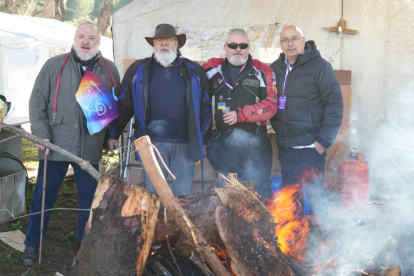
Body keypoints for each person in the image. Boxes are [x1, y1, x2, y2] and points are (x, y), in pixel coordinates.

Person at [22, 22, 120, 265]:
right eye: (81, 36)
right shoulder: (55, 65)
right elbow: (37, 101)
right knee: (43, 198)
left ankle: (82, 247)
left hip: (90, 146)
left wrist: (112, 134)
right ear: (75, 38)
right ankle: (32, 245)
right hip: (55, 143)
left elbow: (117, 105)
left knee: (89, 202)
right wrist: (41, 134)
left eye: (91, 37)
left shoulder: (109, 69)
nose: (85, 41)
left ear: (99, 41)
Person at [108, 23, 211, 195]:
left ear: (176, 43)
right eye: (159, 40)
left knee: (183, 198)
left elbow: (206, 107)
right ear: (154, 44)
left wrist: (204, 139)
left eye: (169, 40)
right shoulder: (138, 70)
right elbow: (124, 103)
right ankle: (154, 223)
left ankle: (179, 223)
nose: (164, 43)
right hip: (151, 144)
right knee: (153, 196)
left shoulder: (194, 70)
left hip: (185, 145)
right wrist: (113, 133)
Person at [269, 25, 343, 220]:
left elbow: (334, 104)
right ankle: (294, 242)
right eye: (285, 40)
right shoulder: (274, 69)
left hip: (312, 147)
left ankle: (322, 243)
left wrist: (324, 140)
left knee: (317, 197)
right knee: (292, 199)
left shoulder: (320, 66)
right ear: (281, 44)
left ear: (303, 41)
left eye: (294, 38)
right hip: (287, 147)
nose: (290, 43)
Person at [203, 29, 278, 199]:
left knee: (260, 192)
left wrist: (241, 115)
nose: (238, 49)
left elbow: (271, 105)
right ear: (225, 47)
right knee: (228, 194)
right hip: (224, 144)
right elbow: (199, 98)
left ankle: (263, 226)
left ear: (249, 48)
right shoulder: (211, 68)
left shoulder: (263, 71)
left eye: (243, 45)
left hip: (256, 144)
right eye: (233, 45)